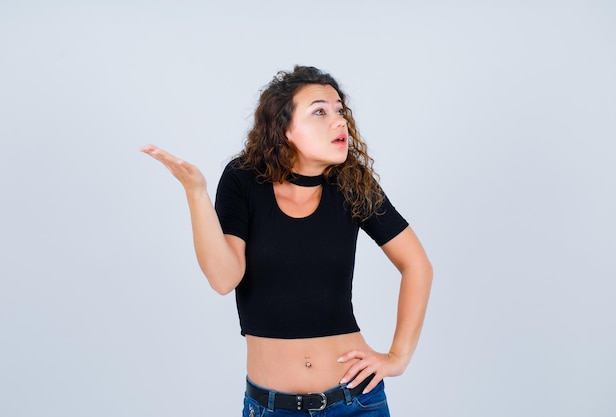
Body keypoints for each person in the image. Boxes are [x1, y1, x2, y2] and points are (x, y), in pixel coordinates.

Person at [141, 65, 432, 416]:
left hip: (356, 402)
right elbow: (223, 278)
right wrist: (196, 192)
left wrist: (397, 357)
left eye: (340, 110)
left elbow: (417, 264)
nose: (339, 121)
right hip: (271, 407)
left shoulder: (353, 182)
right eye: (320, 111)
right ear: (284, 129)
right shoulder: (242, 179)